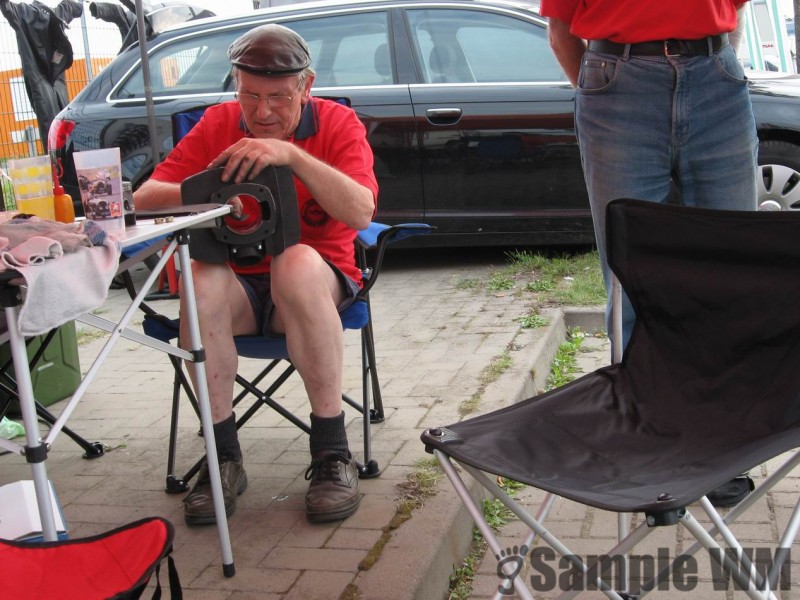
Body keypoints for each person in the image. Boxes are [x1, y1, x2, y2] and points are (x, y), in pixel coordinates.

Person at [135, 24, 378, 525]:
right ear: (235, 86)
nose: (262, 112)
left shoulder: (338, 122)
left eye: (278, 98)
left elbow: (360, 212)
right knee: (200, 276)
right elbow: (143, 200)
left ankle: (332, 452)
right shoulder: (219, 122)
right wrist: (208, 184)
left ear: (306, 87)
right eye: (249, 95)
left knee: (295, 260)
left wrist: (291, 155)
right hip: (240, 291)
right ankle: (223, 458)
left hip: (314, 287)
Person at [540, 1, 758, 507]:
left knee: (732, 270)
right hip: (618, 84)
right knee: (631, 276)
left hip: (717, 79)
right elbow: (560, 31)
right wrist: (608, 85)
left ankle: (721, 444)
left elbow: (737, 10)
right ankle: (651, 445)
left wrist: (713, 63)